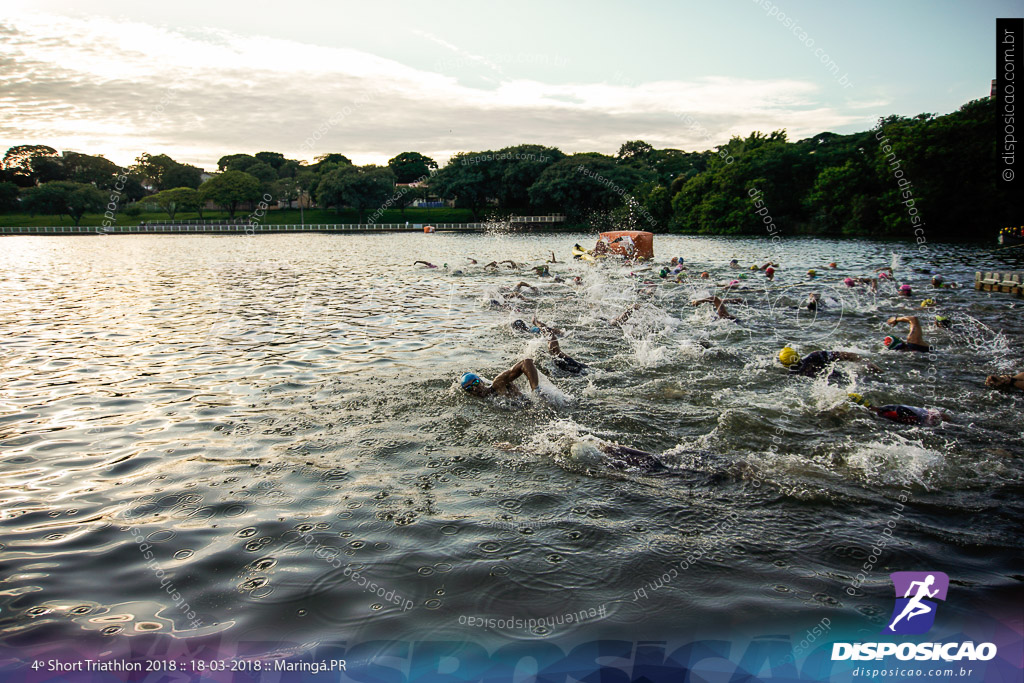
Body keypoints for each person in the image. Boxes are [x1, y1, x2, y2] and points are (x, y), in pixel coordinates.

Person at [511, 318, 588, 374]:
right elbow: (549, 332)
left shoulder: (533, 335)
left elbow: (549, 331)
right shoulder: (553, 348)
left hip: (566, 369)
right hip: (575, 367)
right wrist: (536, 322)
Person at [848, 394, 951, 426]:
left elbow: (911, 418)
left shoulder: (887, 412)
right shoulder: (885, 409)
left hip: (927, 417)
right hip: (927, 414)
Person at [460, 359, 540, 398]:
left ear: (481, 381)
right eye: (469, 388)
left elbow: (525, 363)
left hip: (532, 404)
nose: (474, 388)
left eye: (476, 382)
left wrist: (535, 390)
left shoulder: (497, 384)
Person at [778, 346, 880, 377]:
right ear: (797, 354)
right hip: (844, 379)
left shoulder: (793, 375)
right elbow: (847, 356)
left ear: (784, 364)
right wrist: (866, 362)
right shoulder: (816, 356)